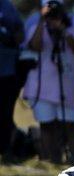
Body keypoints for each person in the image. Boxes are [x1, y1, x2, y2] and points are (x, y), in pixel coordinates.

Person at [23, 0, 74, 164]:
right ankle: (52, 162)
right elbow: (35, 45)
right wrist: (42, 21)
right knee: (47, 126)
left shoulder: (73, 24)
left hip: (66, 86)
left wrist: (62, 29)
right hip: (42, 85)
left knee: (70, 127)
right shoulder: (37, 24)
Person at [0, 0, 24, 160]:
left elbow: (20, 33)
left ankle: (5, 150)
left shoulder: (8, 6)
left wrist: (11, 37)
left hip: (7, 70)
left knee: (5, 113)